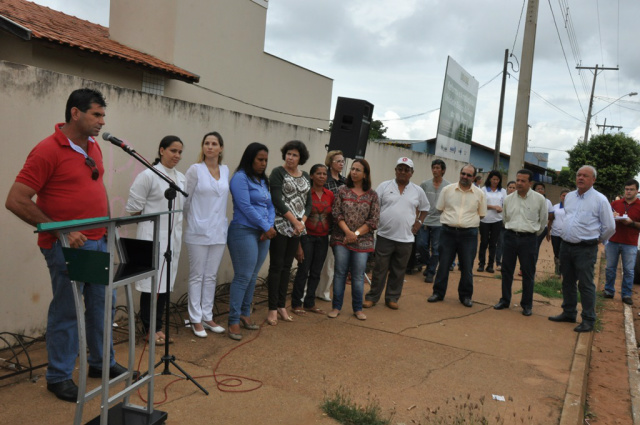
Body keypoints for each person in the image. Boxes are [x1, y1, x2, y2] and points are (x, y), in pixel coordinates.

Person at [5, 88, 128, 402]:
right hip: (67, 247)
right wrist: (61, 231)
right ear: (75, 113)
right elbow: (16, 200)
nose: (102, 122)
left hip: (99, 241)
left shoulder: (93, 147)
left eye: (103, 115)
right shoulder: (47, 150)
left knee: (103, 305)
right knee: (69, 310)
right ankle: (58, 376)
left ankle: (101, 362)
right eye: (96, 115)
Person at [126, 135, 186, 344]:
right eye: (173, 151)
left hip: (172, 239)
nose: (177, 155)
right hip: (152, 237)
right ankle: (150, 329)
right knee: (152, 286)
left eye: (180, 152)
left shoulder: (180, 178)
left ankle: (159, 327)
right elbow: (133, 209)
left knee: (165, 284)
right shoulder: (148, 175)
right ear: (162, 150)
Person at [549, 165, 615, 332]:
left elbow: (609, 226)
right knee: (568, 281)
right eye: (579, 175)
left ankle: (588, 319)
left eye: (585, 175)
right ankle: (569, 312)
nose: (581, 178)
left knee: (585, 284)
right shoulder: (569, 196)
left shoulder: (600, 199)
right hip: (566, 245)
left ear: (593, 179)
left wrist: (597, 240)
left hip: (585, 248)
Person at [363, 157, 429, 309]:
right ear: (395, 170)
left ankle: (392, 298)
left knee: (399, 270)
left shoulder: (418, 190)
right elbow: (374, 207)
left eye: (407, 170)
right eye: (400, 169)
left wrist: (419, 223)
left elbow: (425, 208)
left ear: (412, 173)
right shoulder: (384, 186)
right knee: (379, 269)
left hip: (406, 238)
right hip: (385, 235)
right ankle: (372, 297)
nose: (403, 172)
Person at [227, 143, 276, 341]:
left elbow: (271, 206)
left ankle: (245, 315)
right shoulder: (240, 177)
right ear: (250, 158)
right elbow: (245, 206)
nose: (264, 163)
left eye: (265, 160)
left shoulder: (263, 180)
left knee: (253, 276)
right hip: (243, 231)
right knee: (243, 276)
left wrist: (268, 227)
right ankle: (233, 320)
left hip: (263, 233)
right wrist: (265, 226)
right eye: (260, 160)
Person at [183, 132, 228, 338]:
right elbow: (185, 200)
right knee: (197, 275)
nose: (210, 147)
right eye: (206, 143)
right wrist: (192, 221)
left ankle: (208, 315)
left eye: (214, 144)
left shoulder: (225, 170)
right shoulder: (195, 170)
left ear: (220, 148)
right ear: (203, 147)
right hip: (198, 230)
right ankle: (195, 318)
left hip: (218, 230)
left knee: (210, 275)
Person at [266, 141, 312, 326]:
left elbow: (308, 203)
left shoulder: (306, 175)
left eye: (295, 155)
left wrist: (302, 223)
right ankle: (271, 309)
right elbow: (276, 199)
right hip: (281, 224)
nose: (291, 158)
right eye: (288, 154)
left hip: (297, 228)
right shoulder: (278, 172)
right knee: (276, 266)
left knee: (287, 267)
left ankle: (281, 306)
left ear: (301, 158)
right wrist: (294, 221)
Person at [427, 164, 487, 307]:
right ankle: (438, 293)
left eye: (468, 175)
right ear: (460, 174)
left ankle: (466, 296)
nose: (465, 177)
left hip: (469, 235)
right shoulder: (447, 190)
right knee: (444, 265)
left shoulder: (480, 194)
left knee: (467, 266)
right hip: (447, 233)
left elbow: (482, 214)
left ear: (473, 178)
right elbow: (440, 208)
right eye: (463, 173)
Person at [328, 159, 380, 320]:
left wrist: (355, 234)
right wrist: (348, 233)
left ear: (365, 174)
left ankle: (357, 308)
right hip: (341, 238)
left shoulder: (372, 195)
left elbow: (373, 221)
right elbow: (336, 214)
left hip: (363, 242)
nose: (354, 172)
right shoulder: (342, 191)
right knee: (340, 272)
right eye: (352, 169)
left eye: (358, 170)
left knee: (358, 275)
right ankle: (336, 307)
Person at [492, 169, 547, 316]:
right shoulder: (508, 199)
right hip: (510, 237)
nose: (519, 183)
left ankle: (527, 305)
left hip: (529, 239)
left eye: (523, 181)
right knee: (506, 271)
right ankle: (505, 300)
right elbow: (505, 219)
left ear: (530, 183)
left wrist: (532, 235)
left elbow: (543, 222)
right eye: (518, 180)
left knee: (528, 273)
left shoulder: (539, 199)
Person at [291, 164, 334, 315]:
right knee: (303, 270)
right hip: (306, 237)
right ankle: (296, 303)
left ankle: (310, 303)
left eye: (324, 174)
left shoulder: (330, 195)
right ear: (311, 176)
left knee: (316, 271)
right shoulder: (305, 193)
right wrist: (299, 245)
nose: (322, 176)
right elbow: (298, 217)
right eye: (318, 173)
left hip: (323, 238)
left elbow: (332, 216)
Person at [316, 150, 346, 302]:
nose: (341, 164)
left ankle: (324, 292)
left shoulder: (345, 181)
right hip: (320, 225)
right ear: (330, 163)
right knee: (315, 262)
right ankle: (308, 292)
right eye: (338, 161)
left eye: (342, 161)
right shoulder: (323, 178)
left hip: (337, 227)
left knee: (330, 263)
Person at [603, 179, 640, 305]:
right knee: (610, 268)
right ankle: (608, 291)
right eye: (626, 189)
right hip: (613, 240)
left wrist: (632, 223)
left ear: (637, 191)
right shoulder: (615, 203)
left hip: (630, 243)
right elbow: (604, 220)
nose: (628, 191)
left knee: (629, 270)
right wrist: (612, 216)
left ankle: (626, 294)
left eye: (631, 189)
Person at [418, 159, 451, 283]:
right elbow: (419, 201)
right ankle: (429, 264)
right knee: (421, 245)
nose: (435, 170)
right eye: (433, 168)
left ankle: (431, 272)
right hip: (425, 220)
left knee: (436, 249)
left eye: (438, 168)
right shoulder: (425, 184)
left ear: (443, 170)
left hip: (440, 222)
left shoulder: (448, 186)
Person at [477, 170, 506, 274]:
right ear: (490, 179)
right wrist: (493, 207)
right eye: (494, 179)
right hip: (485, 219)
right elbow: (480, 204)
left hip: (497, 220)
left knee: (493, 243)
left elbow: (505, 205)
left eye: (497, 179)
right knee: (484, 242)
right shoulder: (483, 190)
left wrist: (501, 208)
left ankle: (490, 265)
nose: (495, 181)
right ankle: (481, 264)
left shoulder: (502, 191)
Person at [495, 180, 516, 271]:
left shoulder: (518, 200)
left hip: (513, 226)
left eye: (513, 188)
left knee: (510, 246)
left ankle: (507, 264)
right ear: (507, 188)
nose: (511, 189)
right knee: (500, 244)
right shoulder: (503, 198)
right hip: (502, 224)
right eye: (510, 187)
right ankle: (498, 263)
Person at [548, 189, 570, 276]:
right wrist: (548, 232)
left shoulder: (572, 207)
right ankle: (557, 272)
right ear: (560, 197)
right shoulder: (555, 207)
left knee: (564, 253)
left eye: (567, 196)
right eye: (563, 195)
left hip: (566, 235)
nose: (565, 197)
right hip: (555, 234)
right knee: (556, 253)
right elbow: (551, 220)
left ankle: (564, 272)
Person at [532, 182, 554, 263]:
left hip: (542, 228)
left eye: (542, 189)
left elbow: (551, 217)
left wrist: (548, 231)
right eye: (538, 189)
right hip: (530, 227)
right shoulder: (529, 200)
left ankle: (531, 267)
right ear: (534, 190)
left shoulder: (547, 202)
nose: (540, 190)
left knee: (535, 247)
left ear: (544, 191)